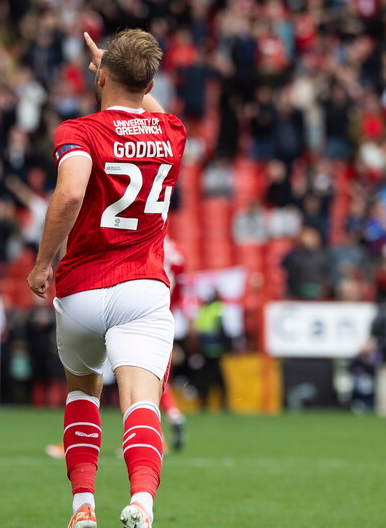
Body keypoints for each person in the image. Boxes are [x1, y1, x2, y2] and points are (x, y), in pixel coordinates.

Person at [26, 30, 186, 528]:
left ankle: (83, 507)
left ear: (100, 78)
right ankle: (142, 502)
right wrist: (122, 74)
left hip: (82, 289)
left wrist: (42, 263)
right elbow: (148, 113)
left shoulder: (78, 130)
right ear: (151, 83)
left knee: (82, 394)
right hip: (142, 287)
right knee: (140, 402)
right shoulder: (172, 130)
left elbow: (71, 193)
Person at [194, 290, 231, 412]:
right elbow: (221, 328)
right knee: (219, 377)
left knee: (206, 376)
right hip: (216, 348)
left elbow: (199, 330)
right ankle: (223, 403)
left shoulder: (204, 310)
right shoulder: (217, 308)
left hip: (205, 349)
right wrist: (228, 345)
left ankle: (204, 402)